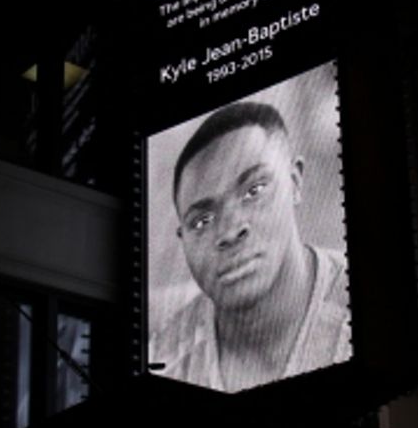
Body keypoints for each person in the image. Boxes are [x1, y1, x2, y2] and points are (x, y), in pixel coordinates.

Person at [150, 100, 351, 392]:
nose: (230, 231)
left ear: (295, 182)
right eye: (202, 221)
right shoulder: (160, 353)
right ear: (182, 239)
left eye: (254, 191)